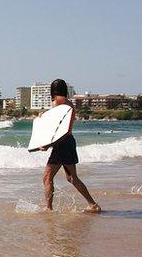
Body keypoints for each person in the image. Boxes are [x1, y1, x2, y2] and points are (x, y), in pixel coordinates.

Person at [41, 79, 101, 213]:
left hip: (62, 143)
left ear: (53, 90)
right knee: (72, 178)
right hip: (69, 141)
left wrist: (48, 144)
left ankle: (48, 208)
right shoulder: (69, 103)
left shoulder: (57, 102)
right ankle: (92, 204)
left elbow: (58, 128)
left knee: (47, 178)